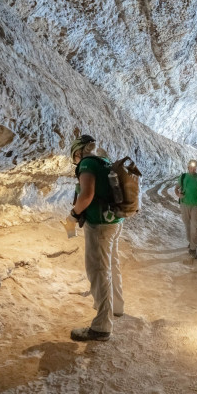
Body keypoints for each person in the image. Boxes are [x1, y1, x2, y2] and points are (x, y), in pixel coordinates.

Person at [65, 135, 124, 342]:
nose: (75, 161)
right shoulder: (104, 161)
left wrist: (73, 214)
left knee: (99, 270)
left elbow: (87, 194)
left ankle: (101, 326)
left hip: (99, 224)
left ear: (79, 152)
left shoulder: (87, 163)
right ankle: (116, 307)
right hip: (114, 222)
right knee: (112, 264)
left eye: (74, 156)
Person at [175, 159, 197, 258]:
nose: (193, 168)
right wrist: (178, 194)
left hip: (195, 205)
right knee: (187, 226)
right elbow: (176, 188)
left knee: (194, 226)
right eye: (191, 167)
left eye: (195, 167)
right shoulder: (183, 176)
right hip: (184, 204)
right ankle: (190, 242)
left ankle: (193, 249)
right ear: (188, 167)